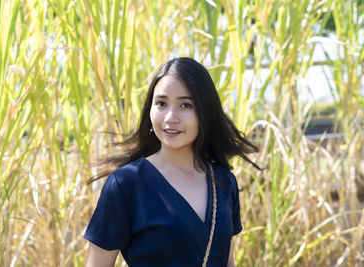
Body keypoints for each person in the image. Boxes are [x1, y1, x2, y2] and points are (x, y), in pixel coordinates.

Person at [84, 57, 260, 267]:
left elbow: (227, 261)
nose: (170, 117)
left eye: (185, 105)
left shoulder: (223, 182)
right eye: (161, 104)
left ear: (205, 112)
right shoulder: (126, 184)